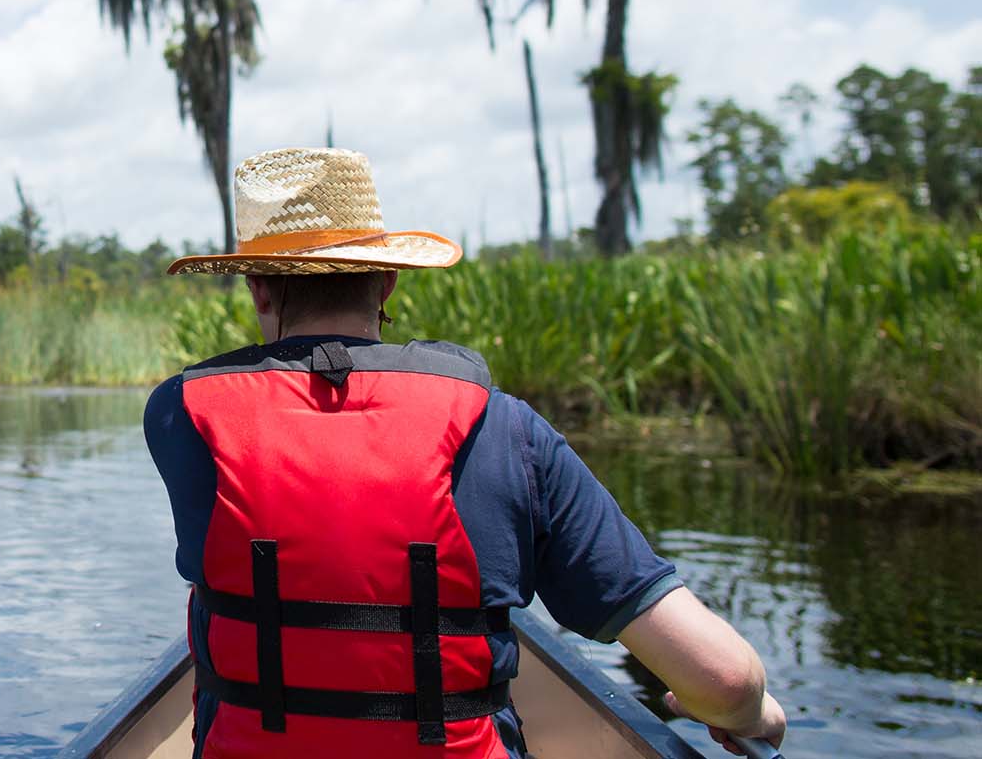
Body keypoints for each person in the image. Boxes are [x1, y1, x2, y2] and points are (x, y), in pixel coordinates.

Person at [142, 148, 786, 758]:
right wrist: (751, 712)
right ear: (388, 281)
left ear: (258, 287)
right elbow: (723, 680)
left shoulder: (180, 416)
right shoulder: (505, 426)